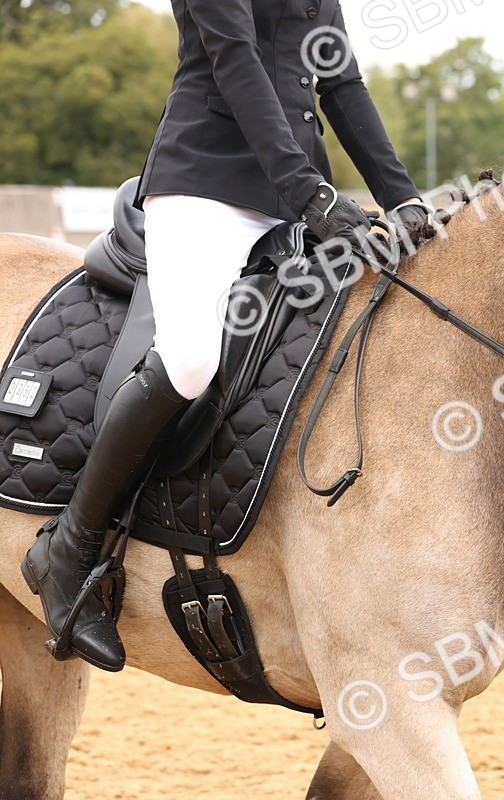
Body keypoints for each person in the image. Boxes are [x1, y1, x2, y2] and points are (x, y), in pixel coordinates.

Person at [21, 0, 430, 672]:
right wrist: (311, 193)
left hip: (288, 203)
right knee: (188, 361)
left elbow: (341, 83)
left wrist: (404, 198)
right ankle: (67, 547)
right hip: (205, 189)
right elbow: (235, 60)